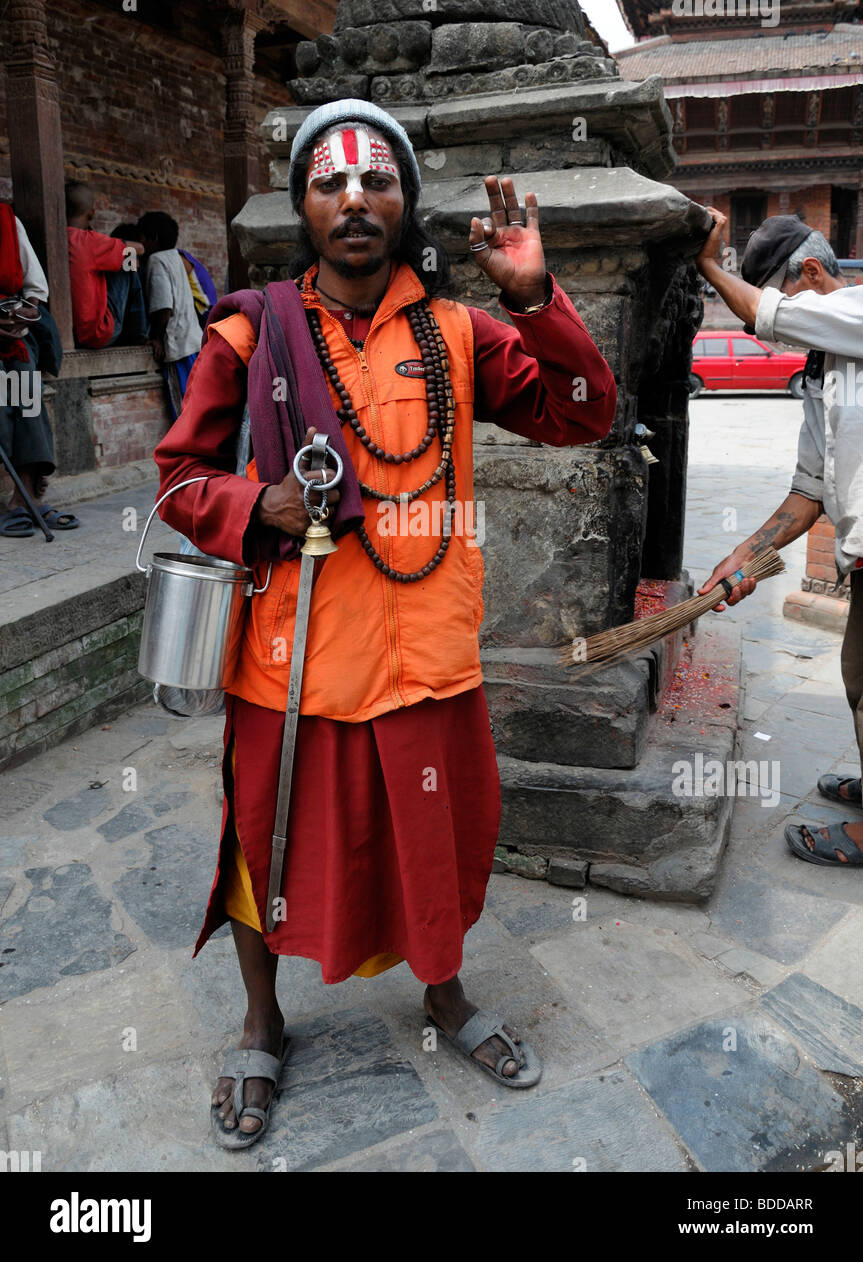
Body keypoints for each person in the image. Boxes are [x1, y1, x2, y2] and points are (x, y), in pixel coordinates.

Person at [153, 98, 616, 1147]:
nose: (355, 199)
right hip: (291, 656)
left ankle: (446, 1000)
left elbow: (584, 409)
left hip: (427, 656)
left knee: (438, 845)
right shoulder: (249, 329)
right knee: (258, 853)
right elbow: (178, 478)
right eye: (330, 182)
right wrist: (251, 504)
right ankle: (261, 1023)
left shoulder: (460, 331)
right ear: (301, 205)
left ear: (405, 204)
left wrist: (534, 294)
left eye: (377, 181)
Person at [696, 211, 863, 868]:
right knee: (856, 679)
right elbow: (808, 493)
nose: (761, 335)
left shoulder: (856, 310)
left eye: (770, 312)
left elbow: (768, 313)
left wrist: (710, 267)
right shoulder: (824, 373)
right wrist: (743, 558)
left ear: (813, 275)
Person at [0, 203, 79, 534]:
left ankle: (25, 495)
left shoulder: (6, 221)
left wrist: (19, 319)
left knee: (25, 395)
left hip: (12, 336)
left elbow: (35, 290)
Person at [137, 211, 203, 420]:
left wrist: (156, 337)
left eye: (142, 238)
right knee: (196, 405)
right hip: (192, 342)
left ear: (153, 238)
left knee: (183, 410)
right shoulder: (176, 257)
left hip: (178, 346)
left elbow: (164, 307)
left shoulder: (156, 261)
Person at [66, 182, 146, 349]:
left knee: (115, 258)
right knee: (128, 258)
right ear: (91, 214)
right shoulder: (88, 240)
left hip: (68, 332)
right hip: (97, 333)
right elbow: (140, 248)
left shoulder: (54, 237)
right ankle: (139, 333)